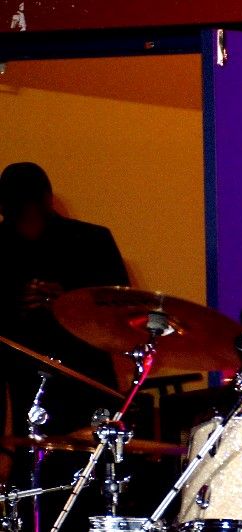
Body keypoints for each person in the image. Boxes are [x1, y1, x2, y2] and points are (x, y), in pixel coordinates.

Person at [0, 162, 130, 528]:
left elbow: (121, 313)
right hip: (22, 392)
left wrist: (67, 301)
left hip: (86, 385)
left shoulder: (91, 241)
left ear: (46, 201)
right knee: (31, 494)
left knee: (92, 491)